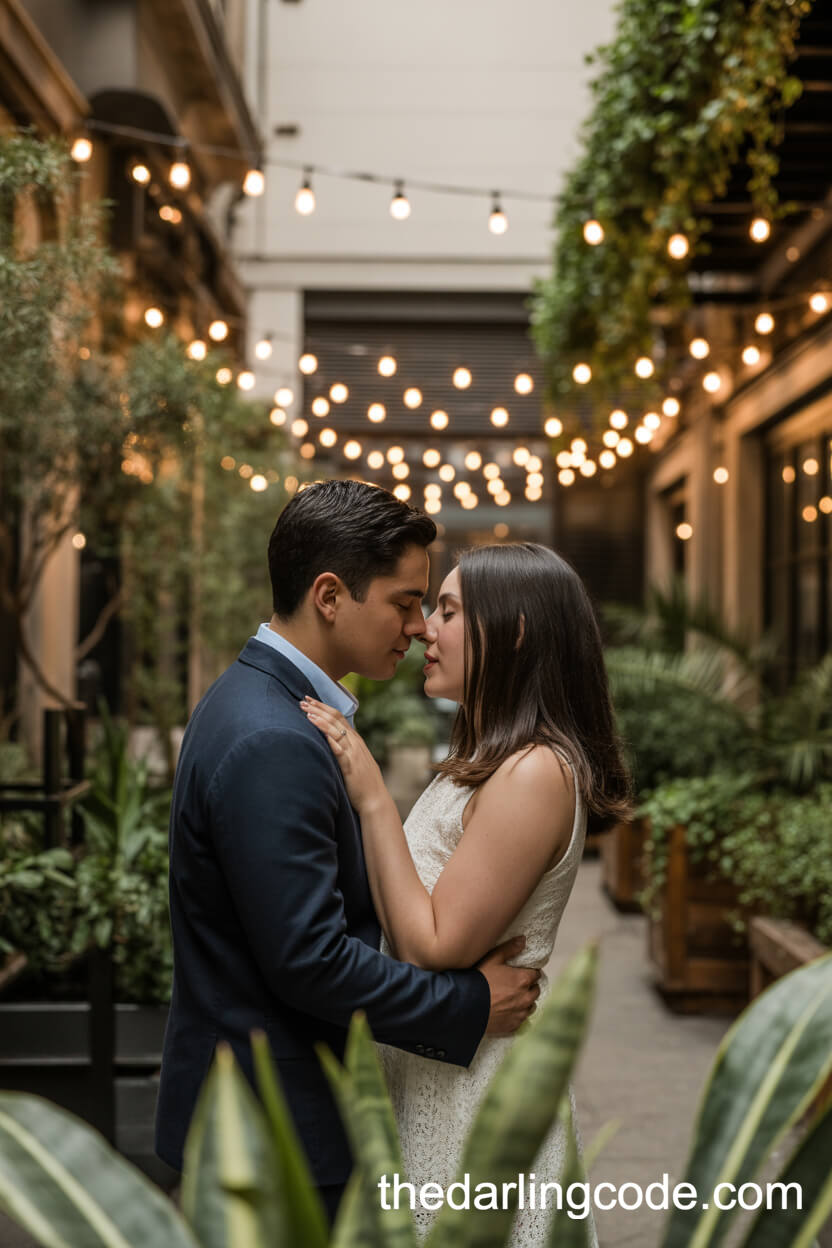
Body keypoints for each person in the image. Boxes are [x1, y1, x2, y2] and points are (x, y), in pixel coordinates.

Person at [154, 481, 540, 1224]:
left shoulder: (263, 704)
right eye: (404, 602)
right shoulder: (274, 737)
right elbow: (311, 960)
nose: (419, 625)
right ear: (330, 595)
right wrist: (468, 1005)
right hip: (277, 1133)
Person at [303, 541, 632, 1244]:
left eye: (447, 610)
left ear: (512, 630)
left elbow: (431, 943)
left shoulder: (537, 772)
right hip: (436, 1067)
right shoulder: (489, 761)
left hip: (475, 1095)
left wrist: (371, 798)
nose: (424, 627)